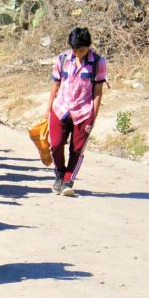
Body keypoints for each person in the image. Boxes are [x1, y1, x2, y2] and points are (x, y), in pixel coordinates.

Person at [47, 27, 106, 196]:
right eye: (75, 49)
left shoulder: (98, 63)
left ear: (88, 46)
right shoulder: (63, 59)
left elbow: (98, 92)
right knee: (55, 145)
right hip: (60, 109)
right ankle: (59, 172)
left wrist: (92, 118)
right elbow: (55, 86)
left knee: (77, 150)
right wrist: (48, 110)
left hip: (83, 112)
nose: (78, 53)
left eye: (81, 50)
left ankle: (67, 180)